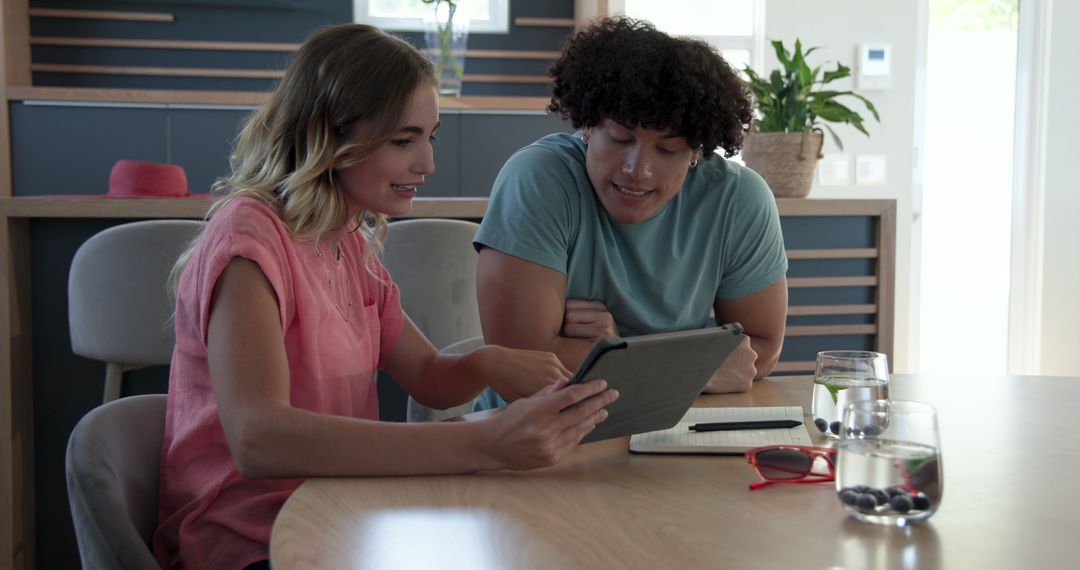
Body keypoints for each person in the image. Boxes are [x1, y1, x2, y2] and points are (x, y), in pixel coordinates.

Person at [152, 24, 618, 570]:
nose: (428, 163)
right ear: (328, 135)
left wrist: (490, 363)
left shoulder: (348, 240)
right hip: (249, 537)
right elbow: (260, 440)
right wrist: (485, 444)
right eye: (403, 140)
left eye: (430, 136)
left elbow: (427, 377)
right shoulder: (248, 243)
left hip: (339, 509)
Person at [473, 17, 788, 408]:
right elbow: (521, 369)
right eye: (621, 139)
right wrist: (689, 365)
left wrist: (618, 348)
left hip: (670, 429)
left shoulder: (738, 198)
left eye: (668, 149)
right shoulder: (539, 178)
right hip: (534, 434)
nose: (637, 169)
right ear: (587, 126)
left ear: (695, 152)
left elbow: (760, 350)